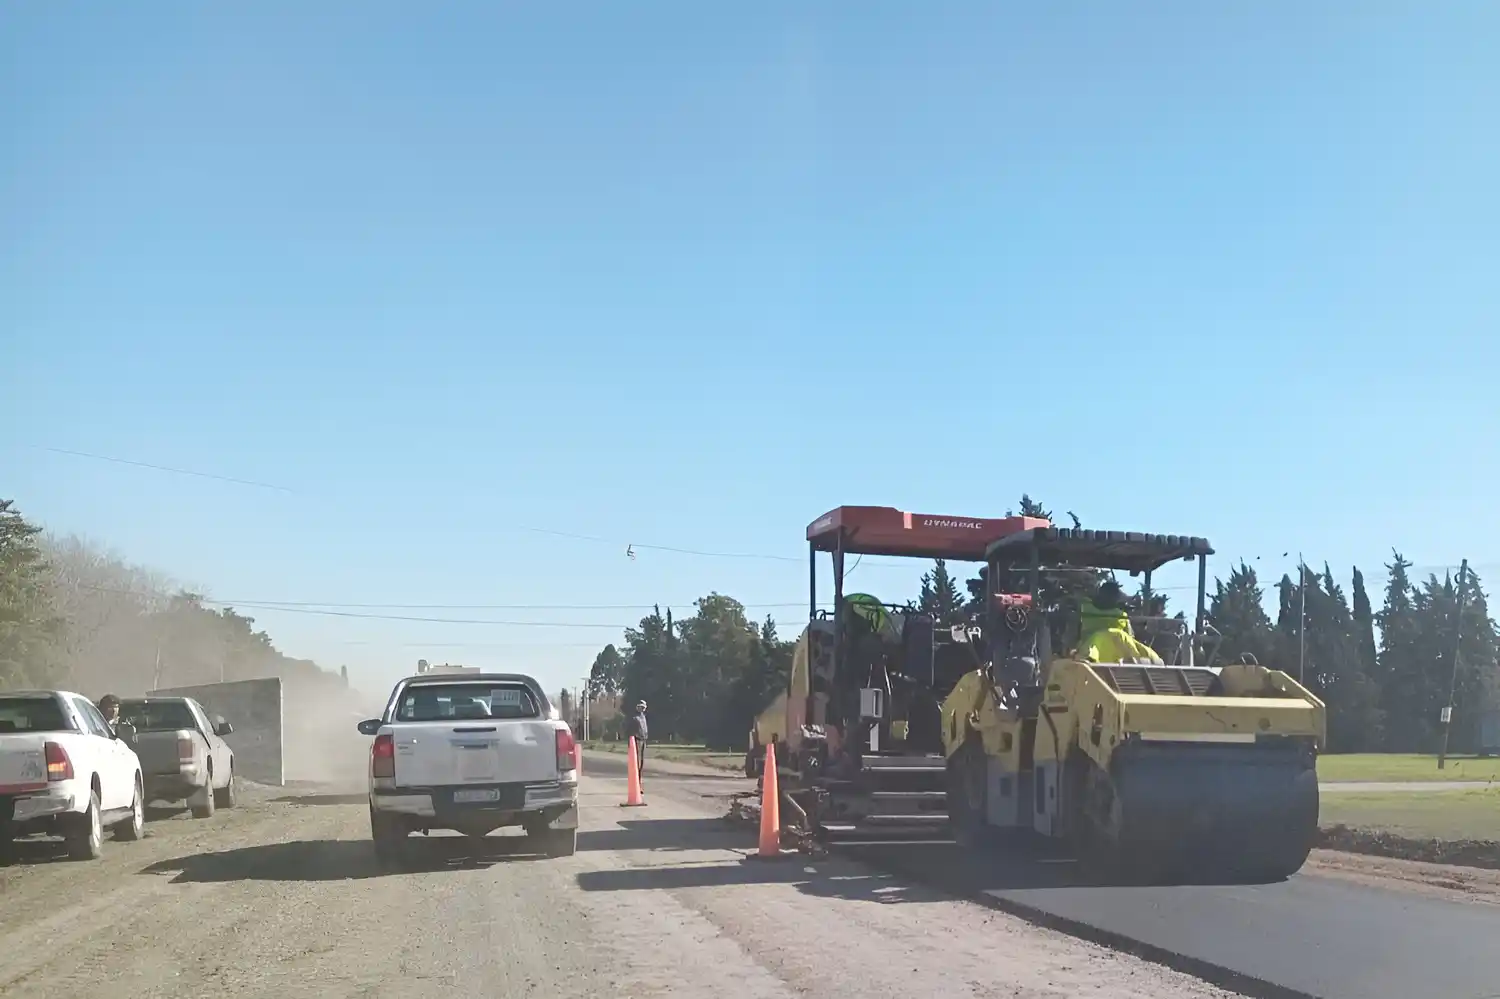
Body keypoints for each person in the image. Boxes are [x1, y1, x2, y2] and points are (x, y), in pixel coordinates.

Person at [1076, 579, 1163, 665]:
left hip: (1118, 657)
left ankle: (1151, 660)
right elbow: (1073, 632)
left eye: (1112, 596)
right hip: (1090, 651)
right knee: (1102, 636)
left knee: (1122, 637)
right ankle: (1089, 658)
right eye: (1107, 595)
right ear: (1100, 594)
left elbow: (1129, 638)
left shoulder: (1121, 615)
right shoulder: (1084, 609)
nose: (1109, 598)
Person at [624, 700, 649, 777]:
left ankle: (639, 781)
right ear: (638, 707)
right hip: (636, 740)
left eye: (643, 707)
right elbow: (628, 729)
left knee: (641, 762)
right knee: (636, 762)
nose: (642, 709)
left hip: (643, 740)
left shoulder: (643, 717)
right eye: (641, 707)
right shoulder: (634, 717)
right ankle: (635, 780)